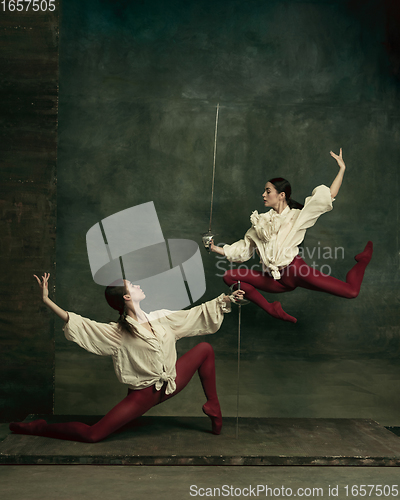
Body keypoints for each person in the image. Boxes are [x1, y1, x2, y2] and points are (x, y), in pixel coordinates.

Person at [9, 273, 244, 442]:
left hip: (171, 383)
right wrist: (47, 301)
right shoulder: (118, 332)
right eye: (131, 285)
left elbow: (195, 315)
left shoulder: (161, 318)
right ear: (126, 297)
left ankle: (213, 405)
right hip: (145, 394)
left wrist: (227, 299)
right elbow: (81, 324)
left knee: (205, 349)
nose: (137, 285)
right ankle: (39, 427)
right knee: (93, 434)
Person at [210, 149, 373, 323]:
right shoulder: (260, 222)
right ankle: (272, 308)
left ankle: (362, 260)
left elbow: (329, 196)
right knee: (228, 277)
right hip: (275, 280)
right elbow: (244, 248)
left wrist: (342, 169)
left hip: (296, 271)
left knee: (351, 292)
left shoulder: (297, 215)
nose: (263, 195)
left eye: (268, 191)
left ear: (281, 195)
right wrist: (214, 248)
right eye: (264, 192)